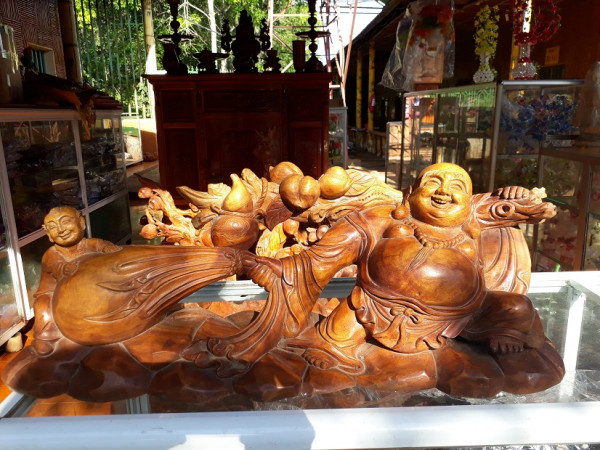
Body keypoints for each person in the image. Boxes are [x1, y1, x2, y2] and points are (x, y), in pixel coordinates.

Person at [238, 163, 555, 375]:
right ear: (410, 193)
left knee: (517, 308)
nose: (443, 191)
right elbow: (318, 261)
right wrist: (278, 268)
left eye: (456, 186)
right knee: (331, 339)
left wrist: (520, 195)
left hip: (462, 315)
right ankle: (336, 349)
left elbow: (530, 210)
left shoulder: (473, 218)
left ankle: (503, 333)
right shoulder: (379, 220)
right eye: (433, 183)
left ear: (469, 200)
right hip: (373, 307)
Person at [31, 206, 120, 355]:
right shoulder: (51, 254)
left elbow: (105, 245)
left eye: (65, 222)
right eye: (53, 227)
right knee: (43, 308)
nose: (61, 230)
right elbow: (57, 268)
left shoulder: (92, 244)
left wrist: (108, 249)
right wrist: (65, 268)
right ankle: (44, 339)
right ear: (48, 234)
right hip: (54, 293)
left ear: (81, 223)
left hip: (88, 288)